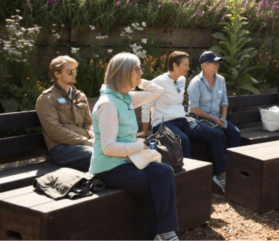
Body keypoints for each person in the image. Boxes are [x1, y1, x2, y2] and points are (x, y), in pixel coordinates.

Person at [89, 52, 179, 241]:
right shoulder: (109, 104)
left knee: (164, 172)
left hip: (128, 160)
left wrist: (139, 80)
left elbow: (157, 91)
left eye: (140, 68)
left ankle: (163, 233)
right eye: (137, 69)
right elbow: (108, 148)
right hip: (109, 167)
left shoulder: (126, 97)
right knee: (158, 189)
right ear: (122, 72)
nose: (141, 72)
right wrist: (140, 145)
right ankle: (164, 234)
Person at [137, 51, 230, 193]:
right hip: (163, 123)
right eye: (185, 65)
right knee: (184, 140)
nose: (188, 68)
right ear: (175, 65)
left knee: (215, 134)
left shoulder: (182, 80)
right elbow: (146, 106)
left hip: (182, 120)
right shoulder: (158, 82)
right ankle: (187, 182)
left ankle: (220, 175)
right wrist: (144, 131)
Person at [187, 50, 241, 192]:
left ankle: (232, 168)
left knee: (235, 133)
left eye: (218, 62)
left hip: (218, 117)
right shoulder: (195, 83)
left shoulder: (221, 80)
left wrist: (223, 117)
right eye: (214, 62)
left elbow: (224, 101)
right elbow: (194, 109)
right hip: (201, 118)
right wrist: (214, 120)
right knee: (219, 135)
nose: (217, 65)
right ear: (205, 65)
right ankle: (221, 174)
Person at [36, 55, 94, 171]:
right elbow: (54, 130)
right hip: (61, 148)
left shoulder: (80, 95)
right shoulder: (47, 98)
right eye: (70, 71)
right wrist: (85, 141)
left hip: (84, 143)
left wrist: (92, 135)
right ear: (57, 74)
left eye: (75, 71)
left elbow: (89, 122)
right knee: (99, 155)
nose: (75, 74)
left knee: (115, 151)